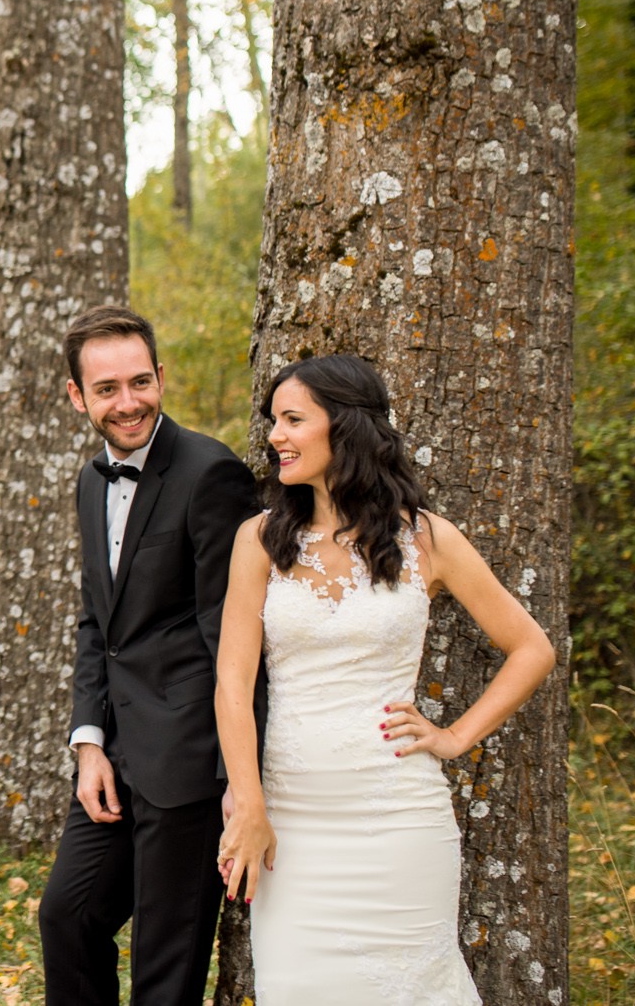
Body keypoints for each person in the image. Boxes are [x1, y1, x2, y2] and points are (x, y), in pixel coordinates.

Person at [213, 355, 556, 1005]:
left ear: (345, 426)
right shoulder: (258, 540)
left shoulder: (428, 539)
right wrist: (250, 804)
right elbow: (232, 683)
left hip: (399, 820)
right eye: (273, 422)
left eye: (292, 419)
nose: (275, 436)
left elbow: (532, 648)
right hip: (291, 822)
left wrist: (455, 736)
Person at [39, 305, 261, 1005]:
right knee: (67, 917)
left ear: (160, 376)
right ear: (78, 395)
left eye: (140, 381)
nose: (127, 401)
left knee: (165, 970)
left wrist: (238, 781)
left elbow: (236, 639)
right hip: (116, 756)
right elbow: (96, 622)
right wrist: (87, 740)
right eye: (107, 388)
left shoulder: (210, 473)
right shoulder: (87, 481)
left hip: (191, 761)